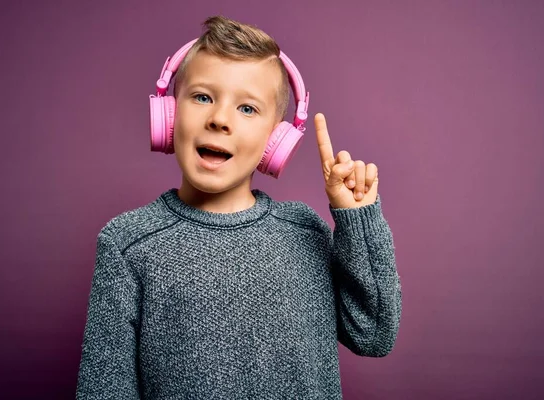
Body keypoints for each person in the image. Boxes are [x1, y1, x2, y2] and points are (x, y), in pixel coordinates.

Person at [76, 15, 402, 400]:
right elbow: (104, 389)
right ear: (169, 114)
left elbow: (374, 334)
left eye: (247, 109)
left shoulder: (305, 231)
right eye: (202, 97)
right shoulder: (127, 244)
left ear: (275, 139)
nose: (219, 119)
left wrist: (358, 220)